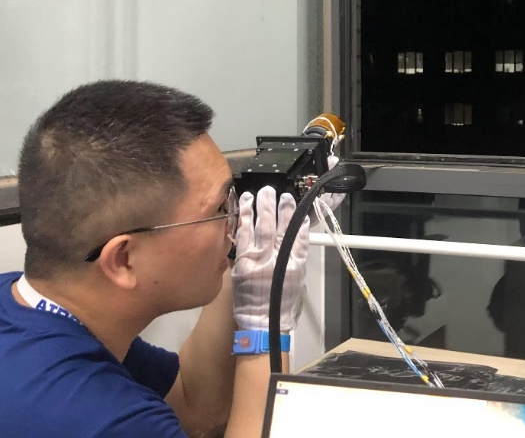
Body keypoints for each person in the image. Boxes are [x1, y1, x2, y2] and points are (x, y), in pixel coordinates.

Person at [0, 80, 311, 437]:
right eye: (219, 209)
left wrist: (252, 259)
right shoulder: (102, 418)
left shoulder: (36, 311)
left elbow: (196, 407)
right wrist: (266, 327)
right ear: (124, 260)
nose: (236, 222)